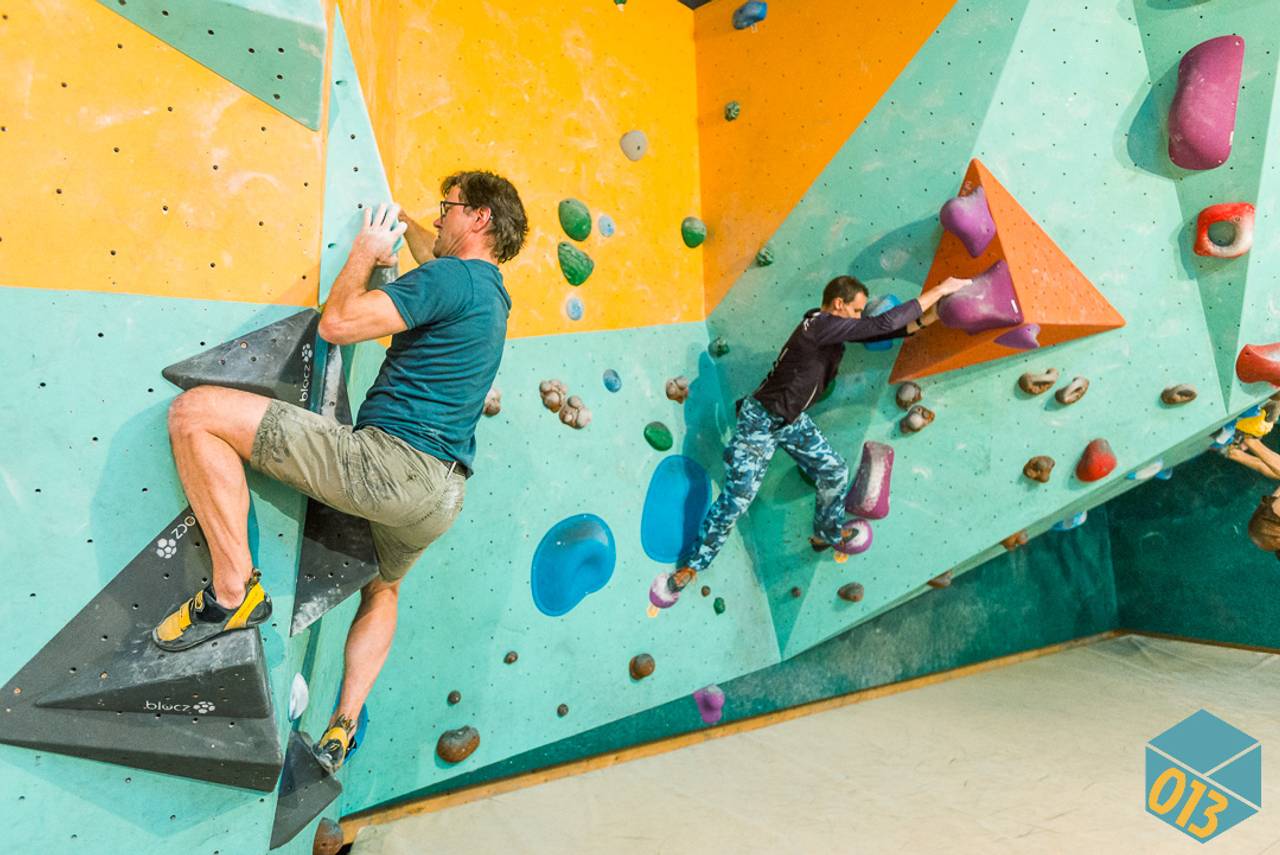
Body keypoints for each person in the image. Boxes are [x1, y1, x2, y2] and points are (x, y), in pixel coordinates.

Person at [151, 170, 527, 773]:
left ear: (479, 217)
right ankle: (342, 727)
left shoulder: (452, 277)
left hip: (391, 467)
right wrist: (406, 215)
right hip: (442, 497)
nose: (436, 219)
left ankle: (230, 594)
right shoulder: (491, 295)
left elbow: (338, 323)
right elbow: (437, 252)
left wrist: (366, 251)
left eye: (447, 208)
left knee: (195, 414)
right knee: (384, 587)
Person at [654, 273, 970, 607]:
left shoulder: (831, 329)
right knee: (738, 501)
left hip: (790, 420)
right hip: (760, 421)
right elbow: (882, 324)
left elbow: (888, 329)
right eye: (857, 310)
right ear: (838, 305)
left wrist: (932, 316)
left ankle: (827, 533)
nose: (860, 318)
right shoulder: (819, 325)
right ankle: (691, 567)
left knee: (834, 471)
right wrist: (942, 288)